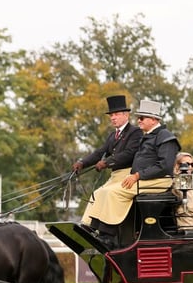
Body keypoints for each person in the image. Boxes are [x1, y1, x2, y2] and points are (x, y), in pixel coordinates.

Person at [79, 99, 179, 248]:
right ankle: (93, 229)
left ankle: (108, 237)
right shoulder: (147, 136)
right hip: (145, 177)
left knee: (114, 192)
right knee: (104, 191)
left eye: (142, 118)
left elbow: (164, 167)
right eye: (138, 117)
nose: (138, 120)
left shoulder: (166, 137)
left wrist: (137, 175)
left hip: (159, 179)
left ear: (153, 119)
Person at [74, 95, 142, 237]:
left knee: (107, 193)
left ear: (126, 115)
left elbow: (129, 153)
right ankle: (87, 226)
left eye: (116, 114)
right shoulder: (112, 136)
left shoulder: (135, 132)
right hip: (115, 175)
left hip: (127, 174)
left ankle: (106, 232)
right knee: (96, 194)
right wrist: (82, 163)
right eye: (111, 115)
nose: (113, 118)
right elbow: (99, 152)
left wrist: (107, 162)